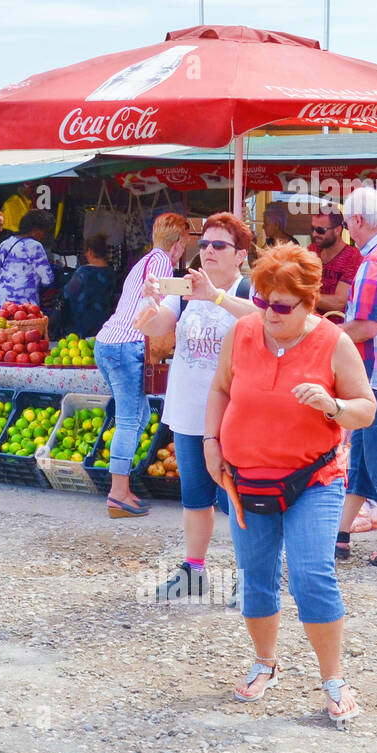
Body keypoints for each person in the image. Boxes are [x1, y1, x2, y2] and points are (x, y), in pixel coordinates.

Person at [203, 247, 374, 723]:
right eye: (262, 302)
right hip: (245, 478)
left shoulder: (333, 342)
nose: (269, 314)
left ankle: (334, 679)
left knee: (311, 574)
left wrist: (332, 405)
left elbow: (366, 408)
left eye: (282, 306)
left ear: (308, 302)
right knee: (255, 577)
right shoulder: (240, 332)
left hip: (313, 480)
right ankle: (265, 663)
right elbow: (219, 388)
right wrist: (211, 444)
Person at [133, 212, 255, 600]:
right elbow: (156, 327)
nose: (208, 251)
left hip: (233, 414)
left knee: (237, 497)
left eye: (219, 245)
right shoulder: (185, 288)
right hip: (186, 409)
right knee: (195, 497)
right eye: (203, 244)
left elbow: (268, 322)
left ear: (240, 254)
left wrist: (215, 296)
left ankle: (250, 575)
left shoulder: (249, 289)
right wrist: (148, 304)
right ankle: (194, 570)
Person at [93, 212, 190, 518]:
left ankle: (123, 486)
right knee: (128, 418)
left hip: (107, 342)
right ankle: (118, 493)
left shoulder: (144, 260)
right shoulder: (162, 261)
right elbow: (159, 302)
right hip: (126, 346)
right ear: (178, 245)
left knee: (141, 413)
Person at [333, 186, 377, 564]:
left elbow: (366, 325)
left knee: (376, 462)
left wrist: (325, 336)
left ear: (358, 221)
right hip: (372, 380)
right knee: (363, 462)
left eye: (347, 221)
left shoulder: (373, 261)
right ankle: (341, 536)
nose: (347, 227)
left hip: (376, 380)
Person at [0, 208, 55, 309]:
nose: (45, 236)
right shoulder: (35, 246)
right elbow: (47, 279)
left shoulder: (7, 242)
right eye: (45, 232)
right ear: (35, 231)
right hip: (26, 306)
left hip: (3, 304)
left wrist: (10, 278)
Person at [308, 206, 361, 318]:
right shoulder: (312, 250)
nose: (314, 234)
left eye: (320, 230)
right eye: (312, 228)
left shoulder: (353, 257)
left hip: (339, 330)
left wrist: (302, 296)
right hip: (311, 325)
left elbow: (339, 302)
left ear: (337, 230)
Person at [62, 234, 116, 338]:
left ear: (90, 251)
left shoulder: (83, 272)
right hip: (104, 323)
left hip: (82, 323)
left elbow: (67, 293)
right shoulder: (111, 273)